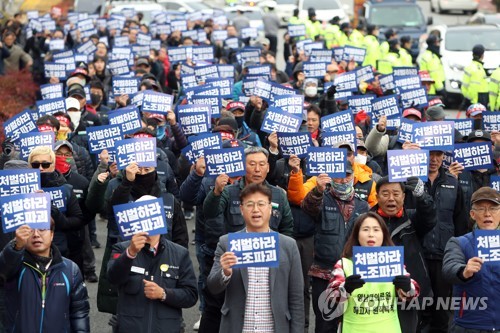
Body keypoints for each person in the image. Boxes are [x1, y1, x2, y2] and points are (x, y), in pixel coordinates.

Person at [206, 183, 304, 332]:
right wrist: (224, 273)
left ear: (270, 208)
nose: (256, 210)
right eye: (250, 205)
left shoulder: (288, 245)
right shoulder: (227, 243)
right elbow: (212, 287)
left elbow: (296, 298)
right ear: (241, 209)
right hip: (238, 327)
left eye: (261, 204)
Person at [107, 196, 198, 333]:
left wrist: (163, 294)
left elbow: (191, 295)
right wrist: (130, 253)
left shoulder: (180, 253)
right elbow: (113, 279)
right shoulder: (121, 249)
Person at [301, 163, 370, 333]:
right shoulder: (322, 197)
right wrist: (317, 190)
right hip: (323, 273)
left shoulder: (363, 205)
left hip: (352, 275)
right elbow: (307, 207)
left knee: (351, 321)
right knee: (325, 322)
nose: (343, 179)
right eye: (339, 175)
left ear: (353, 177)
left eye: (347, 175)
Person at [327, 212, 420, 333]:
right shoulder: (344, 264)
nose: (371, 235)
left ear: (383, 235)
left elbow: (413, 292)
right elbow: (331, 298)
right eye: (365, 229)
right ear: (357, 235)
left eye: (376, 230)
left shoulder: (393, 262)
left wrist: (408, 287)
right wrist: (346, 288)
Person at [372, 177, 437, 332]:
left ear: (404, 196)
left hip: (409, 292)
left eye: (396, 193)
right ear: (376, 197)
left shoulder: (412, 218)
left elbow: (430, 218)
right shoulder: (366, 221)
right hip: (376, 295)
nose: (391, 199)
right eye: (385, 194)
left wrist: (422, 196)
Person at [0, 221, 90, 332]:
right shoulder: (15, 265)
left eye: (42, 229)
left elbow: (79, 313)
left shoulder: (70, 269)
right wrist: (16, 246)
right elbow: (3, 268)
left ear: (52, 234)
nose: (36, 234)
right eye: (30, 230)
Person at [442, 187, 500, 333]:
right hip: (469, 324)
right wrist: (464, 271)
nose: (487, 214)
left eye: (493, 209)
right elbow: (449, 269)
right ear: (472, 214)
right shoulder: (459, 242)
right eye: (481, 209)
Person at [203, 146, 294, 237]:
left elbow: (287, 228)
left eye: (262, 164)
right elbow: (210, 213)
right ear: (243, 167)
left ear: (268, 168)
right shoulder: (228, 192)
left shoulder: (279, 194)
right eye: (252, 164)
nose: (257, 169)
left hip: (269, 248)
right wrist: (216, 192)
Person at [461, 44, 489, 110]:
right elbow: (474, 87)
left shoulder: (469, 67)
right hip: (478, 101)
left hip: (473, 100)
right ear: (482, 55)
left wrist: (467, 98)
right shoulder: (478, 68)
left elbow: (464, 86)